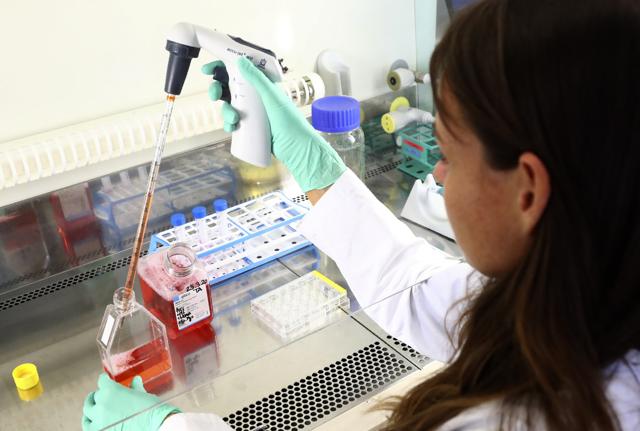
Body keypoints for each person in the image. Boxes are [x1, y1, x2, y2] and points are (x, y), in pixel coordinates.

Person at [82, 0, 640, 429]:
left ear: (527, 192)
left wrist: (167, 426)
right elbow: (418, 288)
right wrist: (313, 162)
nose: (438, 173)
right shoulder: (580, 302)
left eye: (448, 153)